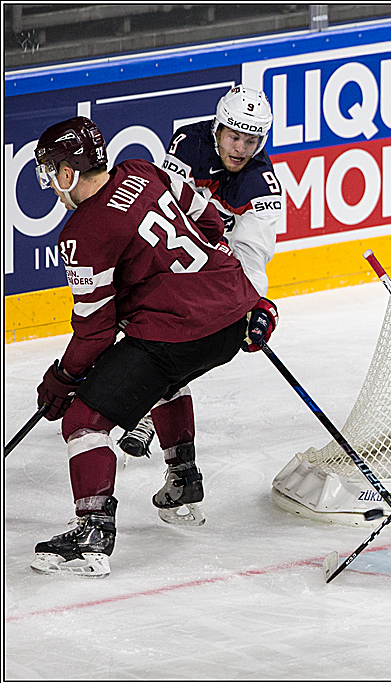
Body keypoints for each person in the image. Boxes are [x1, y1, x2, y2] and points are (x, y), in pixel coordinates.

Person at [30, 116, 278, 577]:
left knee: (85, 420)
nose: (51, 184)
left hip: (178, 329)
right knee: (163, 376)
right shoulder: (143, 170)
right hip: (234, 313)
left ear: (67, 174)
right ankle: (183, 481)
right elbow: (208, 219)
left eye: (50, 173)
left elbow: (96, 331)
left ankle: (91, 535)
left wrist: (63, 378)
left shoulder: (82, 233)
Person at [119, 85, 282, 458]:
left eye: (252, 139)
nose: (241, 148)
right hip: (168, 251)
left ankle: (146, 405)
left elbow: (252, 258)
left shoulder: (262, 186)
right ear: (217, 129)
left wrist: (255, 304)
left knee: (190, 340)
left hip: (212, 272)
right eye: (234, 136)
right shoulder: (187, 143)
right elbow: (164, 211)